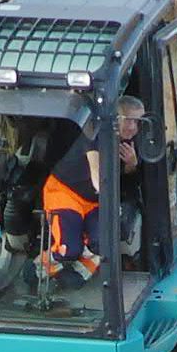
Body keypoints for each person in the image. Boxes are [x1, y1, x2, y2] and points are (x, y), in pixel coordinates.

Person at [39, 99, 142, 286]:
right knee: (68, 248)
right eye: (129, 120)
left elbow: (124, 175)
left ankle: (78, 269)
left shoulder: (129, 144)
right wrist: (112, 206)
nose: (133, 127)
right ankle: (39, 268)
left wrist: (132, 164)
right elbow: (98, 176)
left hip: (93, 201)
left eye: (139, 122)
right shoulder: (96, 135)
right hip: (65, 193)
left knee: (104, 242)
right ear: (116, 118)